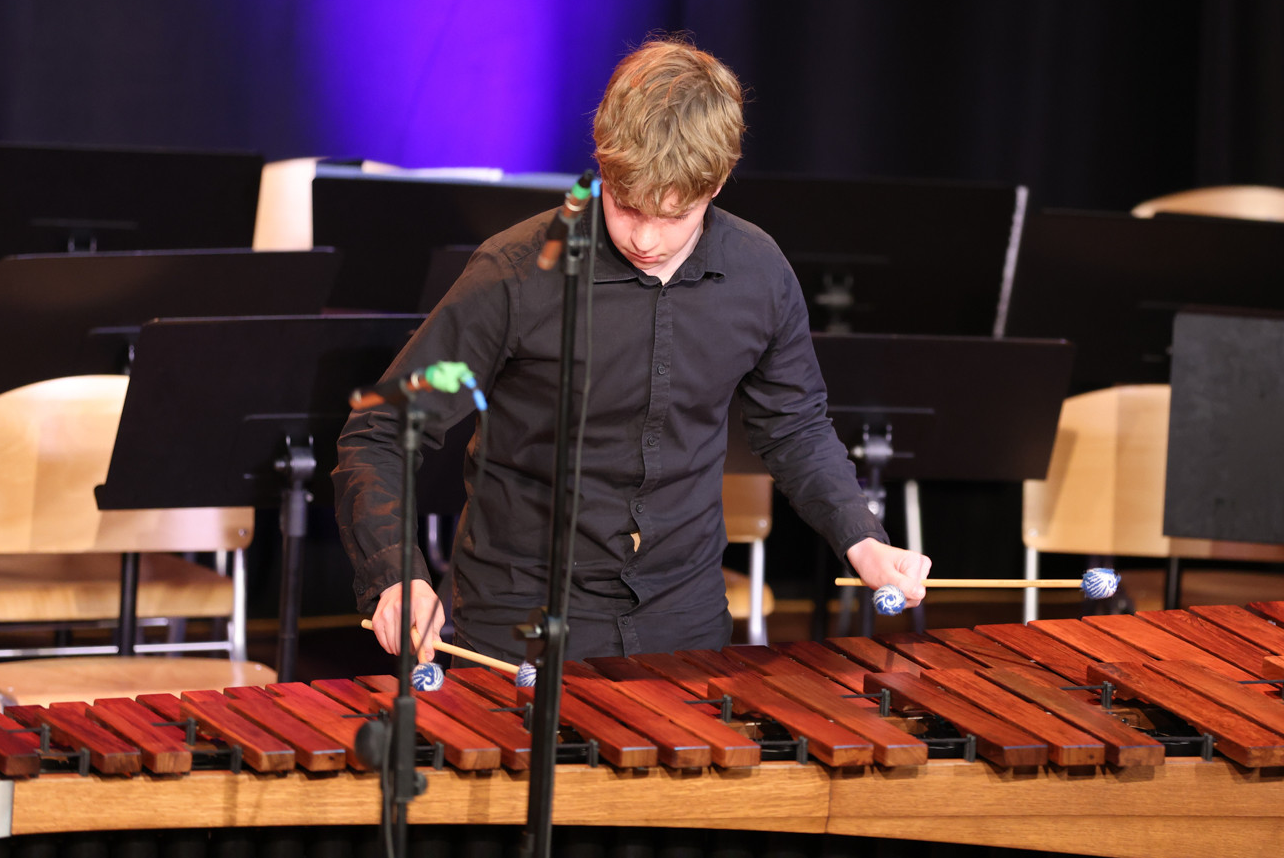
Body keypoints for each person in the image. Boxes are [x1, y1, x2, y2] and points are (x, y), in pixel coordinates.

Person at [334, 38, 930, 663]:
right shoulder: (515, 273)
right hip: (523, 618)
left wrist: (861, 538)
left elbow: (796, 427)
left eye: (672, 216)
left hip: (685, 619)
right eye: (626, 206)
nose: (644, 238)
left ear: (718, 182)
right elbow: (380, 428)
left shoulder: (759, 274)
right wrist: (396, 571)